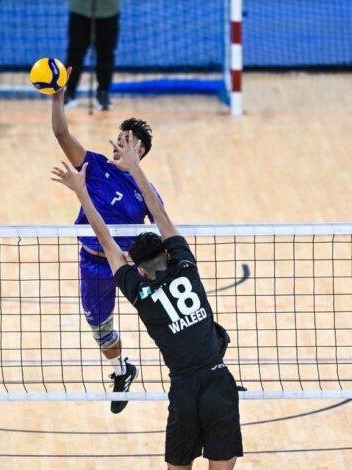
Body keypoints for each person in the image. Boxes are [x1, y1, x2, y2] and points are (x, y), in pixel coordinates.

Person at [51, 133, 243, 469]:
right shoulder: (186, 268)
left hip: (184, 391)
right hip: (218, 381)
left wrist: (81, 193)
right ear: (168, 254)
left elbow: (106, 241)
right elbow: (159, 215)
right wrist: (136, 168)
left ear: (138, 269)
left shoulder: (142, 296)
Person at [51, 86, 159, 414]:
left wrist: (150, 266)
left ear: (139, 150)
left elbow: (163, 230)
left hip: (128, 266)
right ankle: (122, 370)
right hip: (92, 262)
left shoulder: (144, 189)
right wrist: (57, 97)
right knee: (99, 327)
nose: (118, 143)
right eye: (118, 137)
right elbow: (61, 133)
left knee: (167, 314)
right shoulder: (95, 166)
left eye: (126, 140)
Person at [64, 0, 120, 110]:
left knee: (106, 53)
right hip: (80, 8)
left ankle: (103, 93)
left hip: (108, 10)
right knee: (75, 53)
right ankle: (69, 92)